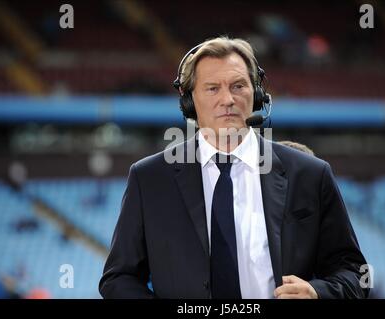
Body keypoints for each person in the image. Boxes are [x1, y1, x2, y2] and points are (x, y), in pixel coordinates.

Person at [99, 36, 369, 299]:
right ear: (189, 101)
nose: (227, 99)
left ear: (258, 94)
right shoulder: (150, 179)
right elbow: (118, 279)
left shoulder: (311, 174)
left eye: (238, 86)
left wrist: (318, 293)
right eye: (212, 88)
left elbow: (356, 273)